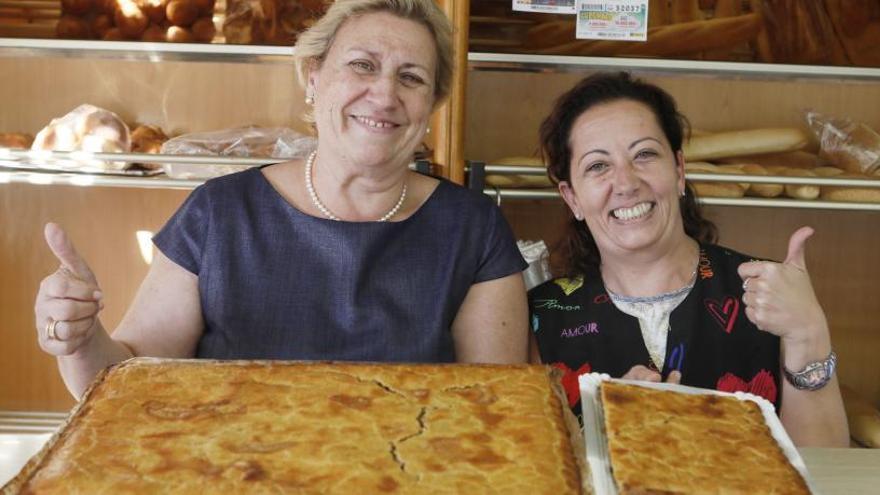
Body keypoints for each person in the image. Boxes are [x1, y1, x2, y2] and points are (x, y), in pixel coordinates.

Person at [34, 0, 528, 399]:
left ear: (431, 105)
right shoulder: (219, 214)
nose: (384, 94)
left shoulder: (473, 228)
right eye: (362, 65)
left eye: (412, 77)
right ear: (313, 77)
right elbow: (126, 387)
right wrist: (78, 341)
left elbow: (494, 406)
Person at [528, 72, 848, 447]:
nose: (627, 183)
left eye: (644, 154)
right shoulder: (541, 319)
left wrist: (809, 331)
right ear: (572, 198)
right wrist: (601, 429)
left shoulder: (766, 292)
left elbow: (826, 467)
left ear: (679, 170)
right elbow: (531, 471)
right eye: (598, 166)